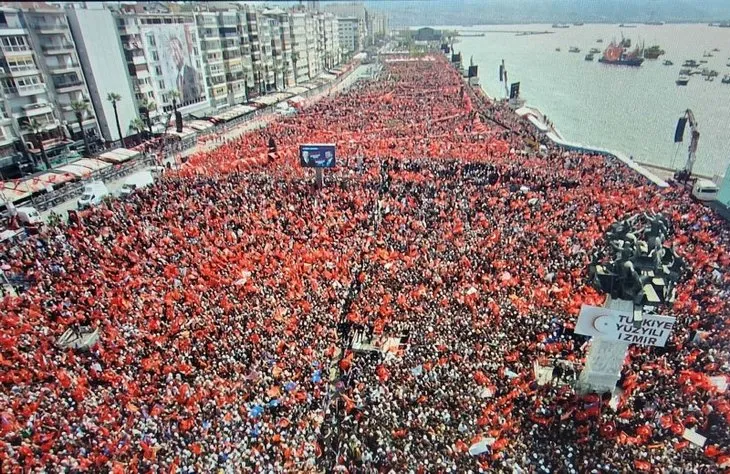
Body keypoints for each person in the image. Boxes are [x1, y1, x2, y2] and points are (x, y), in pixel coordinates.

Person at [169, 36, 200, 105]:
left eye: (175, 50)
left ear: (182, 51)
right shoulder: (177, 79)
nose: (173, 54)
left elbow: (197, 94)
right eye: (171, 51)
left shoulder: (192, 72)